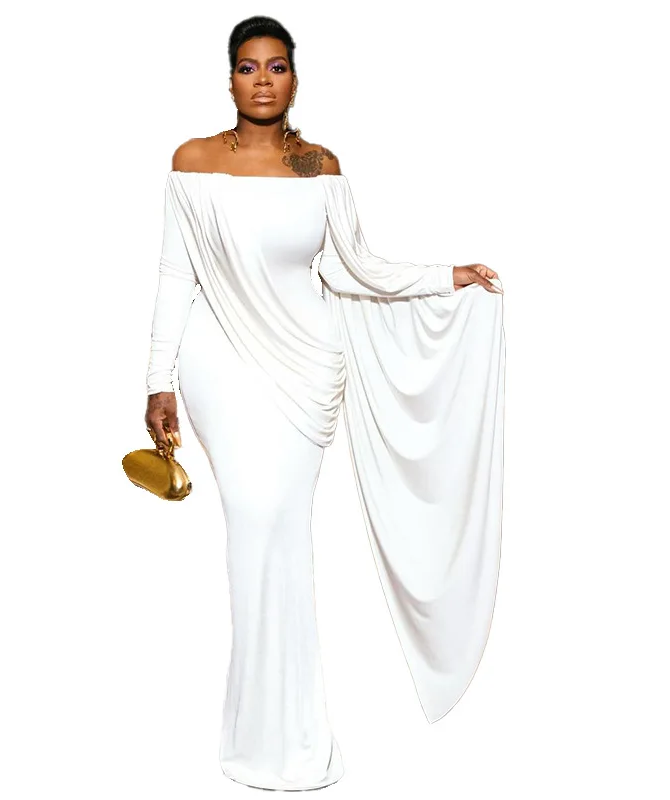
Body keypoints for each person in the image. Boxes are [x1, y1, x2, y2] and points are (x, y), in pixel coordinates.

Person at [143, 15, 506, 792]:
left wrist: (447, 277)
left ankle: (292, 732)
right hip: (219, 365)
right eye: (248, 67)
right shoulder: (192, 161)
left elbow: (356, 268)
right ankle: (256, 734)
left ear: (295, 78)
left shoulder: (320, 166)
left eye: (276, 66)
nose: (262, 80)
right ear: (230, 79)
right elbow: (176, 276)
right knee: (254, 522)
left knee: (286, 532)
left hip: (307, 367)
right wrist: (156, 379)